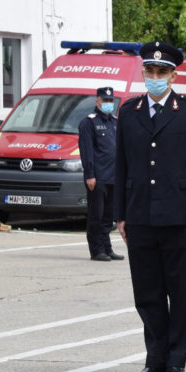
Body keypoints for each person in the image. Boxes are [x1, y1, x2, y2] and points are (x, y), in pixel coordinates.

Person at [114, 41, 186, 372]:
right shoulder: (129, 111)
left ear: (172, 75)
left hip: (178, 217)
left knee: (179, 291)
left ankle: (175, 359)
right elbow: (121, 165)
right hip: (140, 214)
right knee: (147, 291)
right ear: (143, 73)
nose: (155, 77)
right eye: (150, 71)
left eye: (162, 72)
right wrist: (120, 215)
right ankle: (154, 357)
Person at [78, 86, 122, 262]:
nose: (108, 104)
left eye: (111, 101)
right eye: (105, 100)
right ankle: (96, 250)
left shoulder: (115, 122)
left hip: (113, 176)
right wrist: (90, 174)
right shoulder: (89, 122)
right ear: (97, 101)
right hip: (97, 177)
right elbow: (87, 151)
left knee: (108, 217)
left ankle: (107, 248)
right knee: (96, 215)